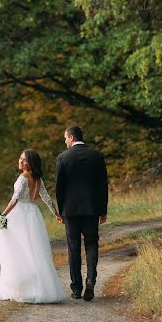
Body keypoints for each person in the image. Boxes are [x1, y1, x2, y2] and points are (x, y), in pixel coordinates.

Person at [0, 149, 67, 303]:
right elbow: (46, 199)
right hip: (33, 214)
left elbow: (15, 200)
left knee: (17, 250)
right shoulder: (38, 179)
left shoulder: (23, 178)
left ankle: (21, 287)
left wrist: (2, 216)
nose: (21, 162)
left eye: (25, 160)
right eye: (20, 158)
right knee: (34, 250)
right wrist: (56, 214)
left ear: (31, 163)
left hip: (19, 215)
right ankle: (39, 288)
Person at [56, 125, 108, 301]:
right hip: (92, 209)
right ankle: (91, 278)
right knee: (92, 244)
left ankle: (76, 288)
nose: (65, 141)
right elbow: (103, 185)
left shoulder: (63, 158)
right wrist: (103, 210)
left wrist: (61, 210)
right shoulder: (97, 156)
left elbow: (59, 187)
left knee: (73, 247)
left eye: (65, 138)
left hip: (70, 211)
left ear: (71, 137)